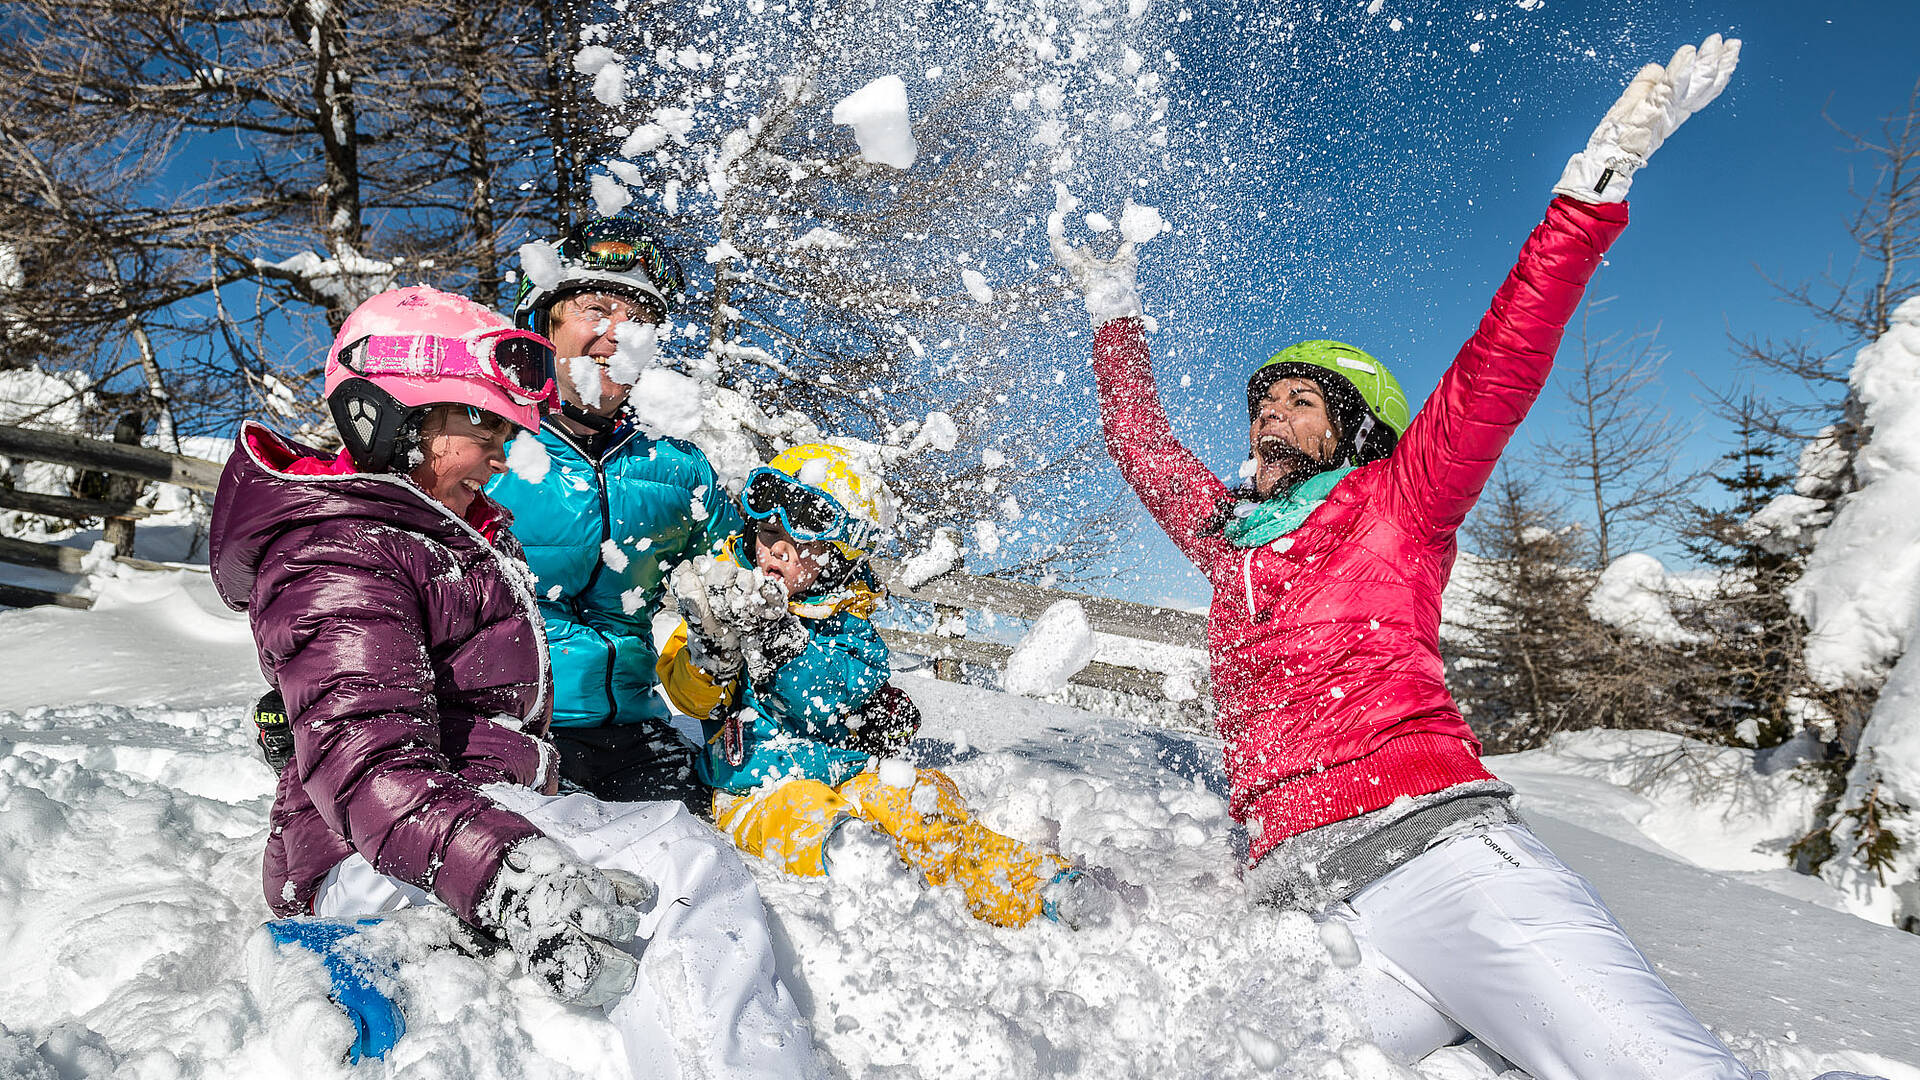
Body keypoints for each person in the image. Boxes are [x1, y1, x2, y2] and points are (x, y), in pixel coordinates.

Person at [1055, 36, 1769, 1080]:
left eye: (1302, 403)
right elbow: (1141, 444)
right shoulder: (1229, 546)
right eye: (1263, 399)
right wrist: (1114, 310)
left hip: (1443, 864)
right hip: (1309, 914)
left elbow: (1505, 355)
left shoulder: (1400, 501)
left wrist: (1596, 182)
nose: (1269, 414)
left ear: (1356, 437)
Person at [209, 286, 818, 1079]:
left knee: (649, 848)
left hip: (435, 831)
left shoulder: (428, 534)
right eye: (483, 424)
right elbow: (370, 769)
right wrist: (510, 877)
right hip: (378, 855)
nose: (503, 454)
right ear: (387, 417)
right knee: (679, 859)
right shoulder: (344, 550)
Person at [655, 444, 1121, 929]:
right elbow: (691, 697)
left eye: (799, 542)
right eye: (769, 533)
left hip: (852, 777)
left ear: (837, 557)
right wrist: (711, 656)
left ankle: (1036, 885)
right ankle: (863, 863)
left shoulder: (849, 630)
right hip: (755, 789)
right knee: (804, 815)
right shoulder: (725, 604)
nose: (776, 550)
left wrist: (783, 645)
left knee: (920, 816)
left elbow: (830, 697)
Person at [487, 217, 743, 814]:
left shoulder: (678, 468)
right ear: (539, 327)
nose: (617, 335)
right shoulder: (488, 448)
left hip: (634, 733)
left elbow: (739, 590)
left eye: (639, 321)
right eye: (596, 309)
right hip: (511, 733)